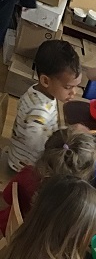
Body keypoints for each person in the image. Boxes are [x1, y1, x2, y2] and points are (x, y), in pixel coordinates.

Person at [0, 126, 96, 235]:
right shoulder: (74, 200)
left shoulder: (27, 173)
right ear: (87, 172)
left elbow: (6, 198)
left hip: (7, 227)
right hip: (35, 244)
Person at [6, 40, 82, 172]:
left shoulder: (37, 91)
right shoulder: (39, 111)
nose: (74, 92)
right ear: (45, 81)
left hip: (22, 155)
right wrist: (67, 134)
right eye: (68, 87)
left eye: (76, 86)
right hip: (24, 165)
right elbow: (37, 143)